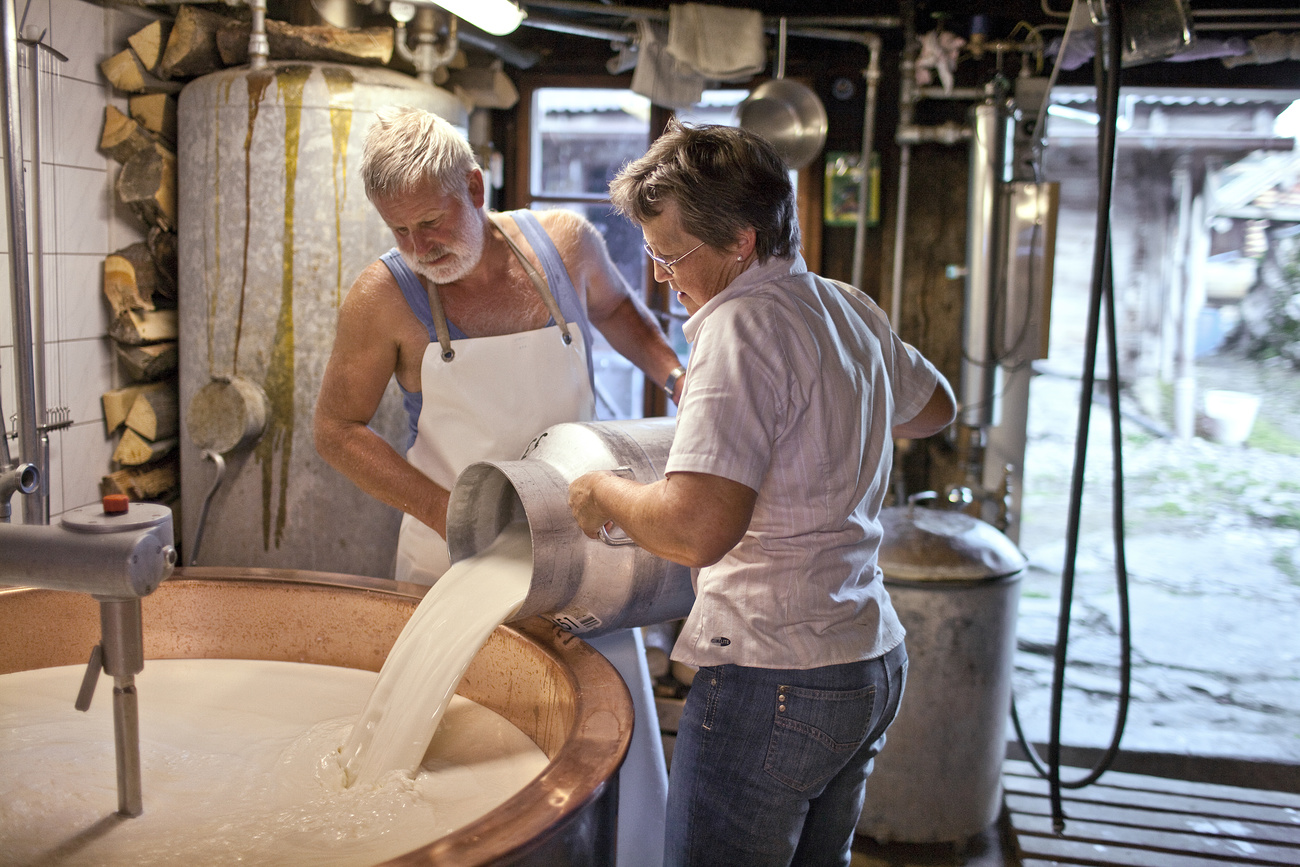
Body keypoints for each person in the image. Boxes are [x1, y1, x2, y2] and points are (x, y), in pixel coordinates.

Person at [567, 120, 957, 867]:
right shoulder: (846, 307)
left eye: (669, 252)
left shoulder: (736, 326)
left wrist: (605, 493)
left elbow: (697, 528)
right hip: (867, 661)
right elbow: (935, 405)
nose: (657, 274)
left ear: (741, 241)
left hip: (775, 675)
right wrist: (841, 418)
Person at [313, 105, 681, 867]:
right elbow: (337, 430)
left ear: (476, 186)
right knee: (465, 777)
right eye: (399, 231)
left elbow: (618, 312)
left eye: (432, 222)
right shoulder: (382, 298)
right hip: (458, 560)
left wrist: (677, 376)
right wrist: (448, 513)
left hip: (586, 550)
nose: (419, 248)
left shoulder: (567, 247)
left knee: (609, 757)